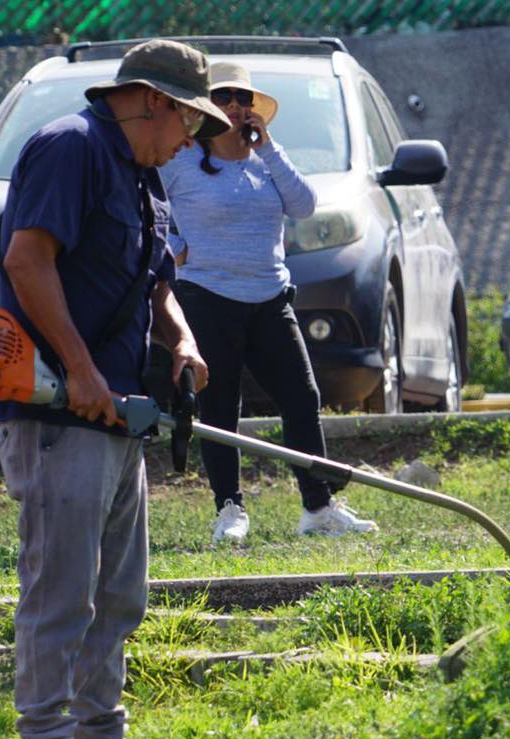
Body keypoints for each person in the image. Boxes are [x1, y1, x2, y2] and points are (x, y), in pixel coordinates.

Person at [0, 40, 225, 739]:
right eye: (191, 118)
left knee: (120, 593)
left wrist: (181, 340)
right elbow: (29, 261)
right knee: (61, 591)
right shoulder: (71, 150)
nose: (193, 139)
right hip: (61, 411)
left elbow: (157, 286)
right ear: (152, 100)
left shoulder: (144, 178)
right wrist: (83, 370)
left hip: (120, 417)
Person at [159, 61, 376, 544]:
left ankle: (318, 507)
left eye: (243, 99)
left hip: (270, 298)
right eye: (223, 97)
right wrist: (172, 248)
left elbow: (303, 205)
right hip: (207, 296)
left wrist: (270, 147)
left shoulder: (267, 161)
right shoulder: (182, 159)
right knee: (220, 405)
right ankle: (230, 509)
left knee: (302, 398)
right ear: (204, 107)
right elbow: (147, 210)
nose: (235, 107)